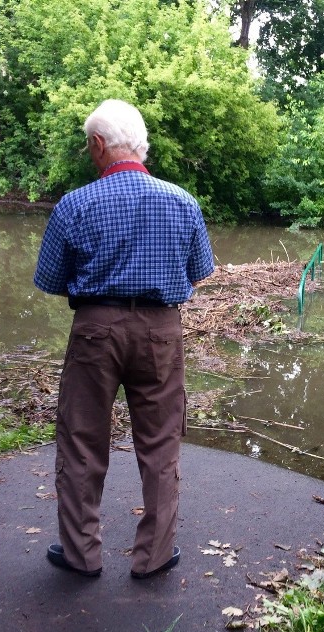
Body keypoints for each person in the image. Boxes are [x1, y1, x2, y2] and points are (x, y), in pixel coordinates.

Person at [33, 99, 215, 579]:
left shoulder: (75, 204)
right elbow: (199, 272)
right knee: (160, 444)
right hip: (161, 331)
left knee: (81, 440)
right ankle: (154, 557)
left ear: (98, 145)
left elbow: (51, 279)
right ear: (140, 144)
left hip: (95, 329)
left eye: (86, 144)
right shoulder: (182, 201)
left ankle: (80, 554)